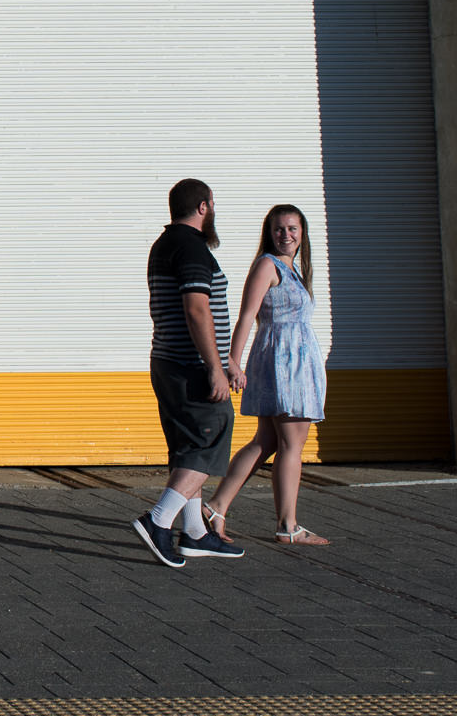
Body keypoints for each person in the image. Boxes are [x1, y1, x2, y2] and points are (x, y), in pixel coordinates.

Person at [132, 178, 247, 566]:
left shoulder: (164, 245)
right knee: (207, 442)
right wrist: (215, 367)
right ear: (203, 206)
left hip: (167, 361)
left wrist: (224, 360)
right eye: (212, 205)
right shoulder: (191, 247)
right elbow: (197, 308)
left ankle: (196, 533)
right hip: (191, 367)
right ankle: (158, 520)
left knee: (187, 448)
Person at [203, 205, 331, 545]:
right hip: (283, 363)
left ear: (302, 233)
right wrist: (233, 361)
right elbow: (247, 315)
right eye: (279, 229)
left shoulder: (293, 270)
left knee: (268, 441)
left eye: (292, 228)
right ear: (269, 233)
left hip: (291, 362)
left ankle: (216, 507)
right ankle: (288, 527)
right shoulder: (267, 265)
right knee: (292, 444)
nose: (285, 235)